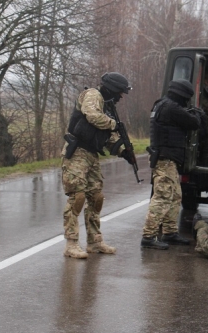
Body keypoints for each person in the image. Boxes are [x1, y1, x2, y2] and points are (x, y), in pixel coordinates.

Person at [61, 72, 134, 259]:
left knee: (96, 198)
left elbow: (108, 137)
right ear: (113, 89)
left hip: (92, 155)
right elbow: (92, 116)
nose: (120, 97)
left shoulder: (108, 107)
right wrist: (113, 124)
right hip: (77, 152)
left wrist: (124, 153)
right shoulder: (93, 95)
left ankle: (94, 241)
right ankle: (71, 244)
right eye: (120, 93)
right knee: (77, 197)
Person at [141, 79, 203, 250]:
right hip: (165, 159)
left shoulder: (161, 104)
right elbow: (194, 123)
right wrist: (197, 113)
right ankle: (148, 236)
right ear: (182, 95)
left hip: (166, 158)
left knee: (175, 196)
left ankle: (169, 231)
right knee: (162, 197)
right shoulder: (171, 108)